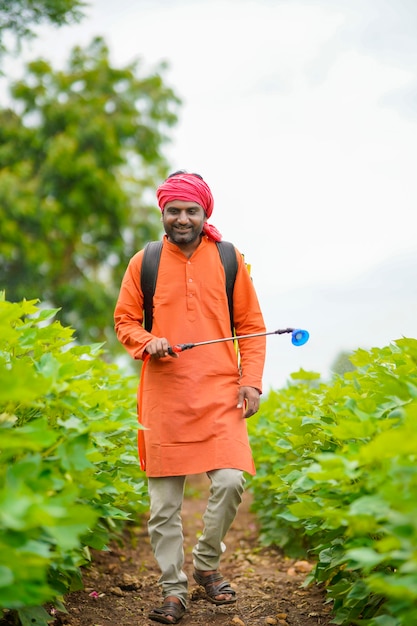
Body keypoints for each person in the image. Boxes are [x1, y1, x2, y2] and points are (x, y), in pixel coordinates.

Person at [114, 170, 266, 624]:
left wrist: (250, 380)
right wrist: (148, 341)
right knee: (164, 507)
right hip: (164, 396)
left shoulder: (228, 258)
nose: (182, 218)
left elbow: (253, 328)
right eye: (174, 210)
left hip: (220, 392)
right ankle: (173, 590)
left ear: (205, 213)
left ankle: (205, 564)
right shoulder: (145, 261)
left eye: (191, 210)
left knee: (231, 481)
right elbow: (124, 321)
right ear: (162, 212)